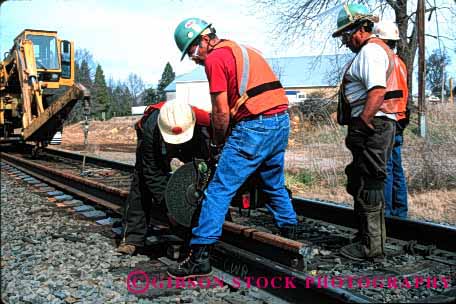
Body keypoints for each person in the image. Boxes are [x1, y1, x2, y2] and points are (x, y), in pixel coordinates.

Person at [168, 18, 298, 278]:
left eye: (192, 51)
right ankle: (291, 238)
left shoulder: (215, 59)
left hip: (254, 127)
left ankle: (199, 257)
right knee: (273, 183)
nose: (194, 59)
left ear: (205, 39)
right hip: (280, 122)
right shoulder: (243, 49)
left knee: (218, 190)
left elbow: (220, 110)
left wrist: (217, 143)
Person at [333, 4, 407, 261]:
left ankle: (371, 246)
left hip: (372, 124)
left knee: (370, 183)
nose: (345, 41)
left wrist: (362, 123)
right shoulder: (375, 50)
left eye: (346, 35)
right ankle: (367, 237)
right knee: (360, 179)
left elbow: (377, 91)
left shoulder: (370, 52)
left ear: (361, 28)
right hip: (376, 124)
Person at [117, 99, 211, 255]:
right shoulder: (150, 129)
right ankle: (132, 238)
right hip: (155, 140)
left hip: (192, 137)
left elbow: (207, 165)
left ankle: (212, 227)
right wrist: (170, 208)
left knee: (203, 177)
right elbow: (152, 174)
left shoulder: (203, 120)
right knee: (141, 183)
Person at [374, 20, 409, 218]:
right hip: (400, 118)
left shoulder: (383, 62)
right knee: (396, 168)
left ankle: (385, 215)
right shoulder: (401, 63)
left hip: (386, 119)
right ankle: (401, 214)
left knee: (384, 169)